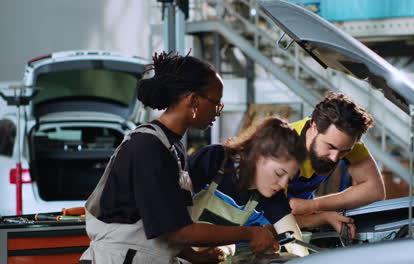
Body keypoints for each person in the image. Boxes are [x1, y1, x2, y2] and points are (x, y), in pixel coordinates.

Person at [79, 51, 279, 264]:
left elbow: (161, 224)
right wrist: (248, 233)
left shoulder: (172, 148)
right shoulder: (148, 147)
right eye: (216, 103)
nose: (217, 112)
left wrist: (194, 256)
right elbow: (179, 231)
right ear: (193, 100)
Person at [188, 117, 309, 257]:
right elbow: (171, 218)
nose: (283, 184)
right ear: (258, 156)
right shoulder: (214, 159)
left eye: (289, 178)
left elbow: (294, 242)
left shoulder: (270, 192)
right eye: (279, 173)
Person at [287, 92, 386, 238]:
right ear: (313, 127)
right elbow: (273, 218)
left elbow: (375, 190)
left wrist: (314, 205)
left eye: (344, 152)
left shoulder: (343, 140)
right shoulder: (282, 149)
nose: (335, 158)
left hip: (298, 225)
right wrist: (322, 217)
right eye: (330, 147)